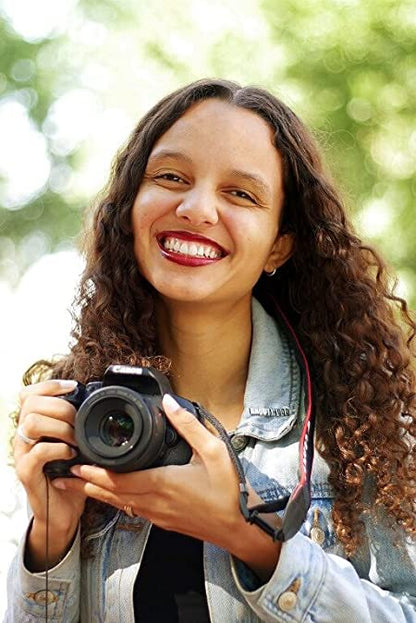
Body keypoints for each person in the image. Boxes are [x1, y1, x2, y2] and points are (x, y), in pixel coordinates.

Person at [6, 78, 416, 623]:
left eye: (241, 193)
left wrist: (254, 541)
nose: (197, 209)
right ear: (131, 208)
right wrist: (50, 540)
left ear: (279, 243)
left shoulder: (363, 428)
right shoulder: (74, 417)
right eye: (171, 177)